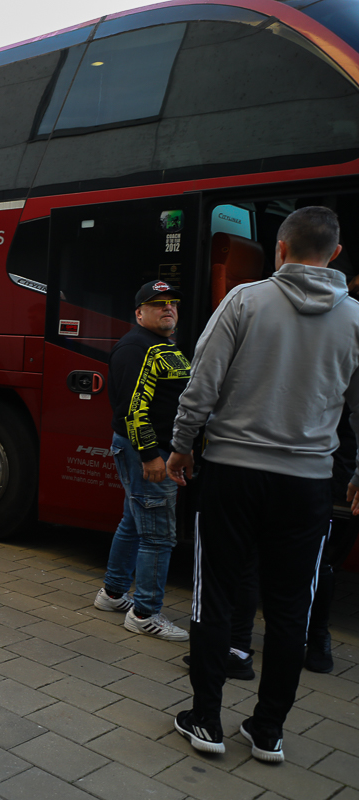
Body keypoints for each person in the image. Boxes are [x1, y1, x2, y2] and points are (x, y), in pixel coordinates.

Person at [167, 206, 359, 764]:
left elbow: (202, 382)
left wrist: (182, 444)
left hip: (232, 475)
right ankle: (268, 730)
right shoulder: (355, 320)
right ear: (336, 255)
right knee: (289, 608)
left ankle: (205, 720)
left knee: (216, 595)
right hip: (307, 486)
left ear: (279, 248)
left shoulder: (243, 301)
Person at [91, 280, 191, 641]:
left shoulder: (160, 345)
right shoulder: (136, 348)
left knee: (134, 522)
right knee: (159, 537)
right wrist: (152, 457)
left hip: (158, 450)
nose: (169, 309)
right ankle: (145, 613)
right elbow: (133, 411)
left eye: (173, 304)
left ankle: (113, 594)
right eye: (158, 304)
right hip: (148, 452)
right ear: (139, 313)